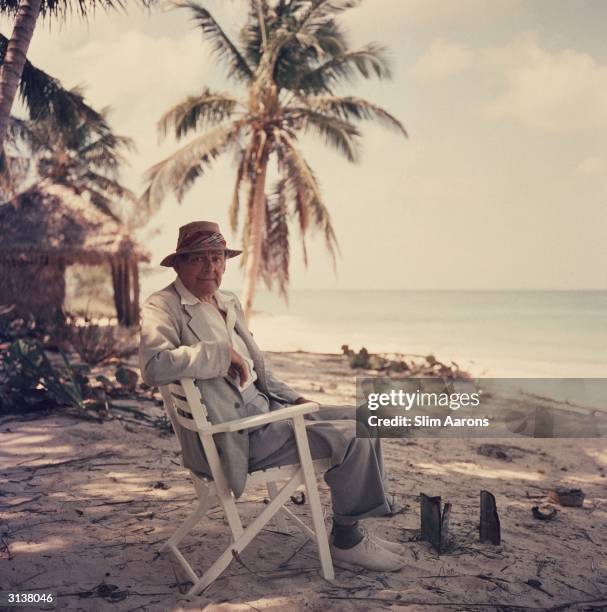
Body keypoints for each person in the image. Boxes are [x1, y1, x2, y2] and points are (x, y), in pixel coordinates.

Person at [139, 221, 405, 571]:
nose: (210, 267)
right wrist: (219, 353)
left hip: (269, 410)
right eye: (199, 259)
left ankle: (354, 523)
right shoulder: (163, 305)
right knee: (352, 437)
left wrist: (294, 399)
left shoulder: (227, 301)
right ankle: (347, 539)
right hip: (237, 432)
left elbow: (257, 370)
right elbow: (154, 366)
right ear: (179, 264)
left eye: (217, 258)